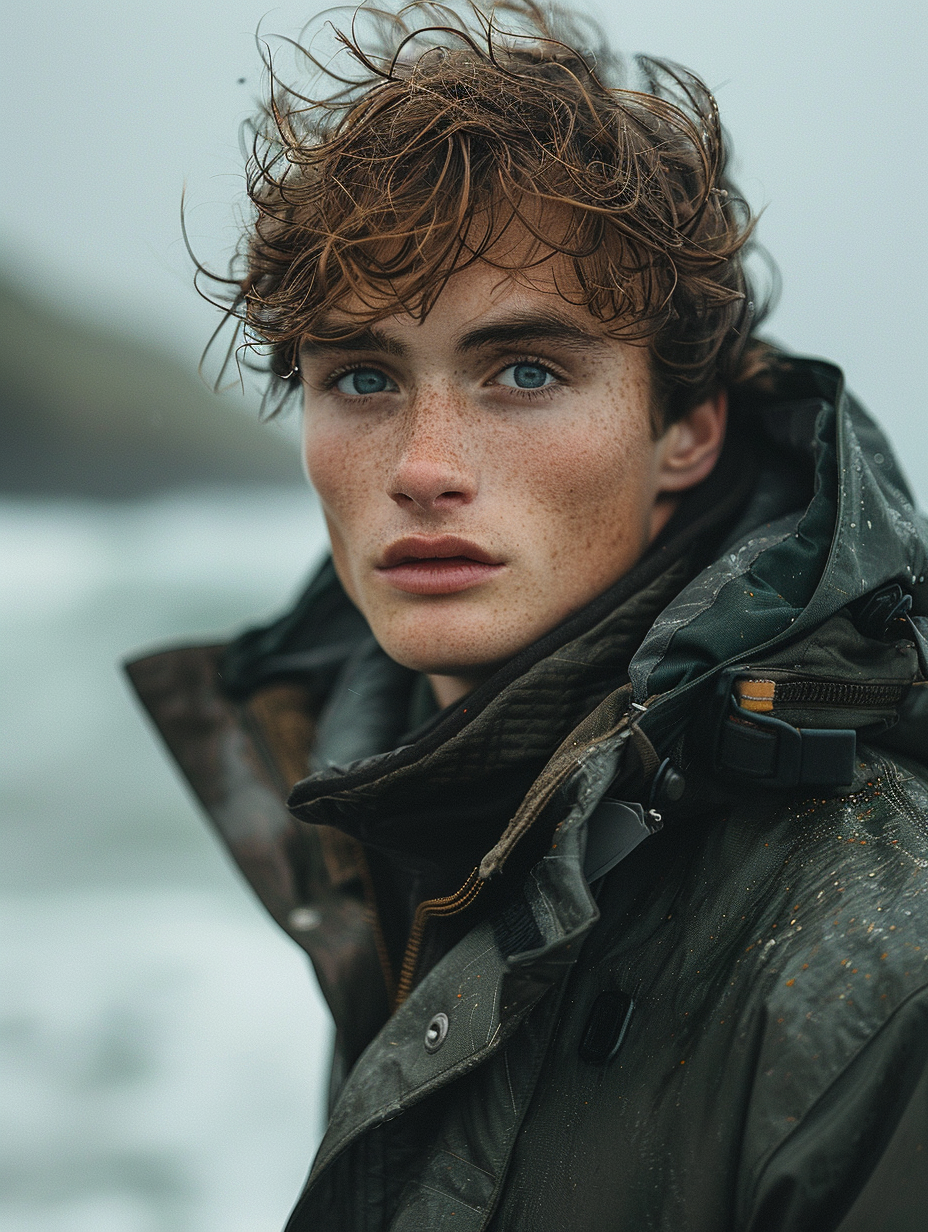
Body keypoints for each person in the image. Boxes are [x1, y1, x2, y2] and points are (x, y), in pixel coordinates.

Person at [127, 3, 928, 1227]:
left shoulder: (884, 963)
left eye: (526, 371)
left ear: (687, 426)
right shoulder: (400, 819)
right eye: (361, 376)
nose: (422, 464)